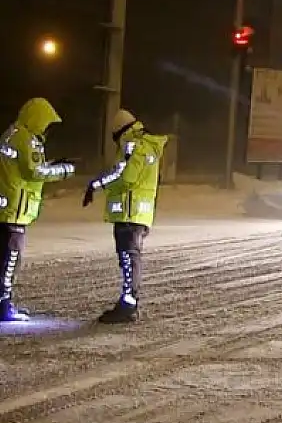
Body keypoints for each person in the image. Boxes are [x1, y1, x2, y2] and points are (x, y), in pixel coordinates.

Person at [83, 109, 167, 324]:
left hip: (130, 211)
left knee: (129, 258)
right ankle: (128, 302)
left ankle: (128, 305)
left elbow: (126, 176)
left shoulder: (133, 145)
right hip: (138, 212)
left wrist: (97, 184)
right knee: (129, 258)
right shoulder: (146, 144)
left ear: (119, 131)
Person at [0, 98, 76, 322]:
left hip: (6, 206)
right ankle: (3, 306)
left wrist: (48, 164)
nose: (47, 129)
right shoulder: (26, 139)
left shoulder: (11, 133)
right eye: (46, 124)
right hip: (16, 209)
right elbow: (35, 172)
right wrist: (63, 170)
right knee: (10, 260)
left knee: (3, 258)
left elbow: (24, 167)